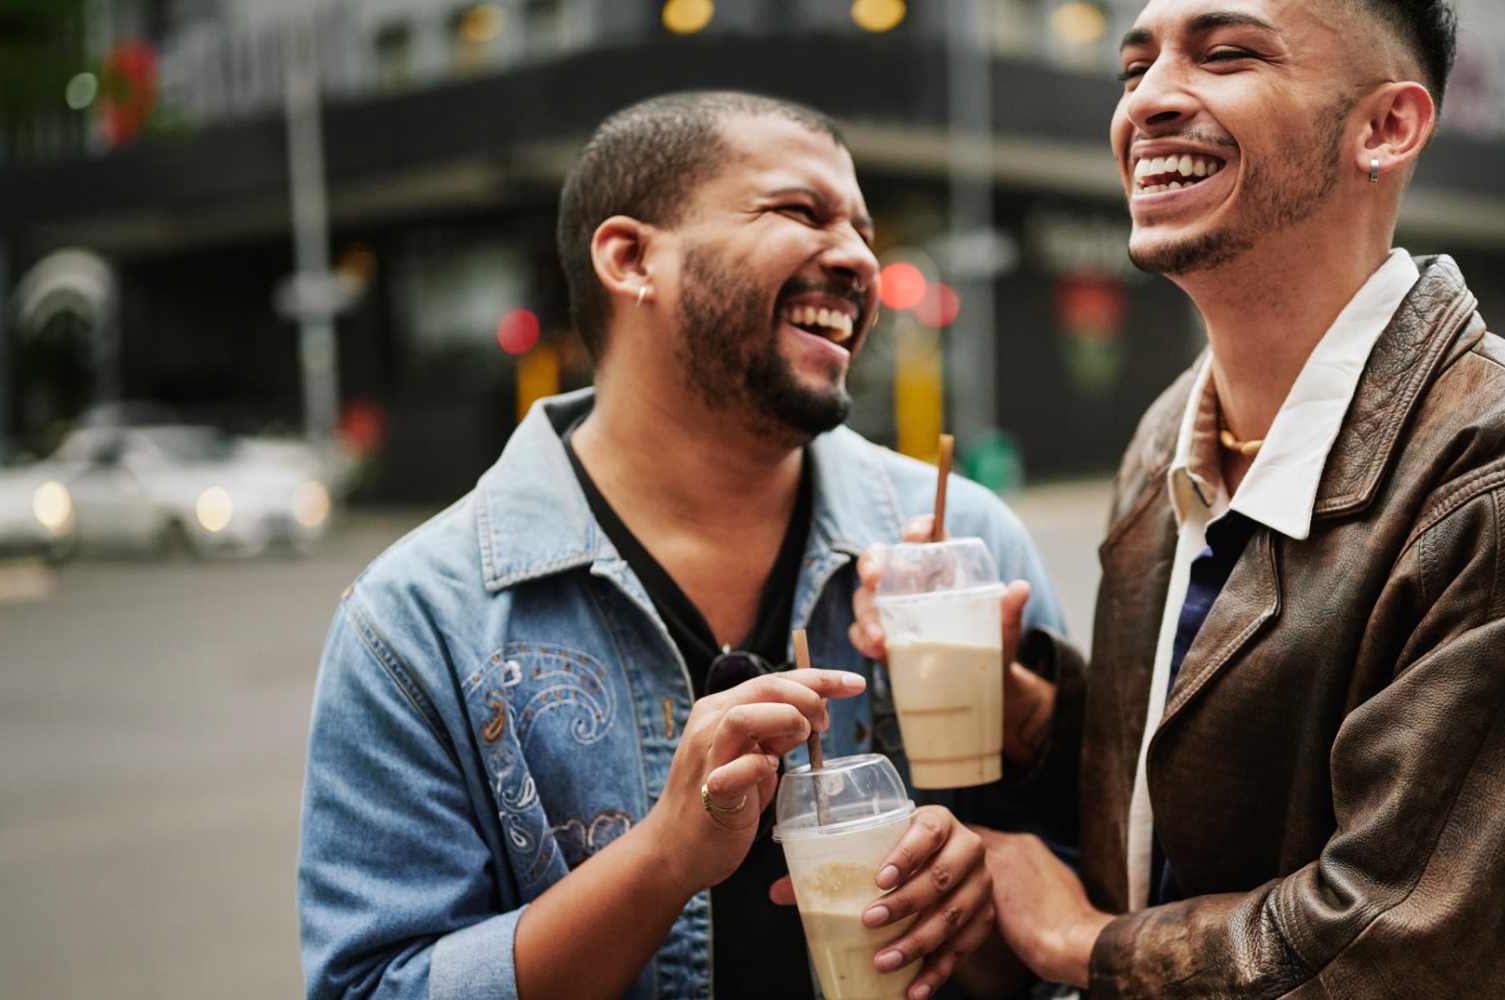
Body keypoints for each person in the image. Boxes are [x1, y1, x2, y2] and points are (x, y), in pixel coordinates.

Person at [851, 2, 1505, 996]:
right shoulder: (1169, 433)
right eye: (1135, 69)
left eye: (1226, 55)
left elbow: (1405, 943)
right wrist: (1030, 712)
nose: (1152, 100)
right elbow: (1208, 782)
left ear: (1385, 127)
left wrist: (1084, 943)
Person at [297, 91, 1066, 1000]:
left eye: (863, 227)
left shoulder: (967, 544)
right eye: (799, 211)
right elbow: (371, 988)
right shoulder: (417, 622)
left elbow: (1096, 915)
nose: (861, 256)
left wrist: (981, 923)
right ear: (631, 258)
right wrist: (664, 858)